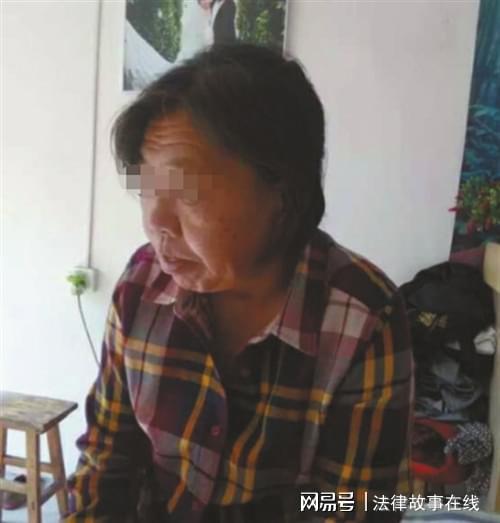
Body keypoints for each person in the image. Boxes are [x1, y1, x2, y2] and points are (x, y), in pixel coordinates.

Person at [65, 43, 414, 522]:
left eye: (187, 192)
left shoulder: (362, 318)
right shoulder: (143, 284)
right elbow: (107, 458)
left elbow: (353, 508)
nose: (157, 223)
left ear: (283, 192)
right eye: (147, 189)